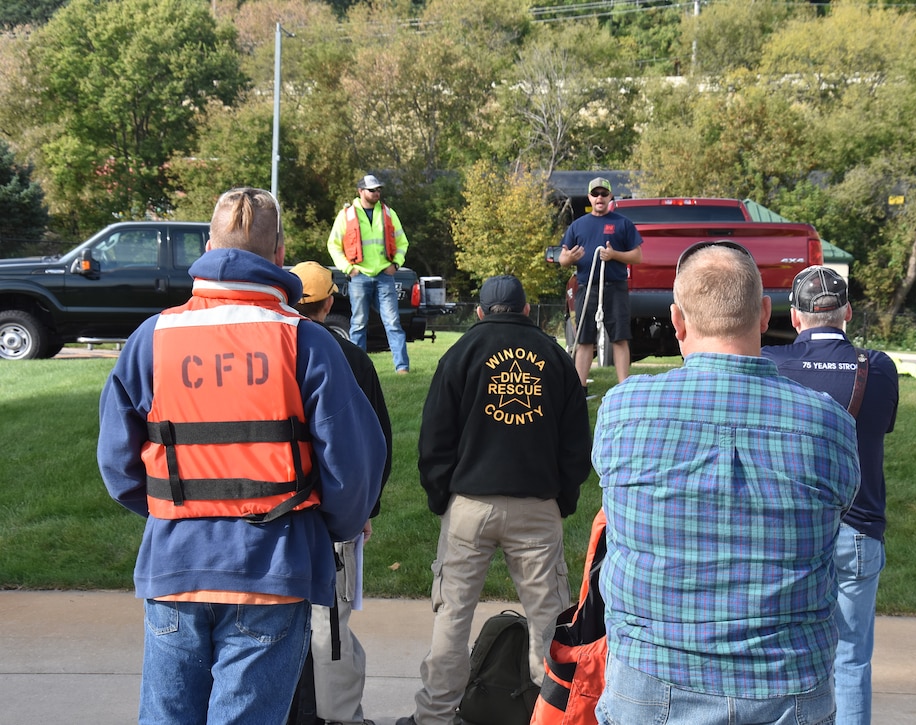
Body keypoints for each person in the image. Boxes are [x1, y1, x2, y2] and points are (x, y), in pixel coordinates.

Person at [97, 187, 386, 724]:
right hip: (274, 569)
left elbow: (119, 467)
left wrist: (177, 508)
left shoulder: (152, 338)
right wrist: (327, 527)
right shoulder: (306, 342)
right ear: (279, 253)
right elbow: (355, 470)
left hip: (175, 566)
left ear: (207, 246)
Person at [592, 242, 860, 725]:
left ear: (677, 320)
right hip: (788, 684)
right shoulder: (827, 422)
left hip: (652, 679)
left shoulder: (624, 409)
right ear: (764, 314)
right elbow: (839, 509)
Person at [397, 275, 593, 725]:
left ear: (481, 312)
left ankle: (434, 717)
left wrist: (442, 496)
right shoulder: (555, 358)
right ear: (526, 310)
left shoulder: (460, 354)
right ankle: (554, 716)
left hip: (470, 504)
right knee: (549, 623)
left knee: (452, 616)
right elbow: (576, 446)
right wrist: (561, 498)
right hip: (537, 507)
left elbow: (434, 439)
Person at [762, 265, 899, 725]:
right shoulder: (876, 367)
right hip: (858, 527)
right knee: (852, 657)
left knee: (782, 651)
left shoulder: (772, 365)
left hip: (790, 531)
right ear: (849, 313)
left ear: (794, 317)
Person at [291, 261, 395, 725]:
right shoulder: (352, 357)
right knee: (328, 623)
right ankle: (338, 716)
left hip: (278, 510)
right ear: (331, 302)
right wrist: (365, 508)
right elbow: (377, 444)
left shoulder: (276, 348)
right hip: (334, 514)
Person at [558, 176, 643, 391]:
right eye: (595, 194)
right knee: (585, 339)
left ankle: (624, 388)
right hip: (586, 288)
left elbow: (637, 256)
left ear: (610, 197)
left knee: (620, 337)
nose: (599, 198)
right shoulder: (578, 226)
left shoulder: (622, 223)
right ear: (589, 197)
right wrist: (570, 259)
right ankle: (580, 388)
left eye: (604, 194)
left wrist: (615, 254)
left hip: (615, 287)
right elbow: (562, 259)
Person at [327, 173, 410, 373]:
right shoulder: (346, 215)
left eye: (378, 189)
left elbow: (402, 242)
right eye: (372, 190)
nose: (376, 193)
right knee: (358, 324)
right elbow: (333, 244)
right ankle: (357, 368)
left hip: (384, 275)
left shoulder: (389, 213)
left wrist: (396, 264)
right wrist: (349, 268)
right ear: (360, 191)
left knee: (392, 323)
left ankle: (402, 368)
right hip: (359, 276)